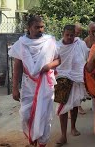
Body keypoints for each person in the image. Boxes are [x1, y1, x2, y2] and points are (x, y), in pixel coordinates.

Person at [9, 15, 60, 146]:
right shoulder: (21, 44)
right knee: (26, 115)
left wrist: (49, 66)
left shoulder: (50, 41)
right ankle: (32, 139)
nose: (40, 30)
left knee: (43, 116)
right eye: (37, 27)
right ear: (29, 28)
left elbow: (58, 60)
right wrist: (15, 88)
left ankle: (42, 143)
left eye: (42, 27)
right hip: (28, 84)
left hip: (45, 85)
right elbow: (17, 67)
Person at [54, 25, 89, 146]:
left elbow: (86, 57)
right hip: (61, 78)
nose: (69, 37)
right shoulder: (57, 47)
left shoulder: (80, 44)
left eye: (72, 35)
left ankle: (73, 127)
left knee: (74, 104)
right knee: (62, 106)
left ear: (75, 35)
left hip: (76, 78)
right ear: (63, 33)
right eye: (67, 35)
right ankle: (63, 135)